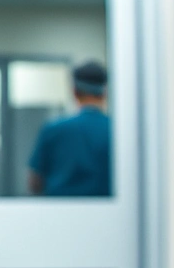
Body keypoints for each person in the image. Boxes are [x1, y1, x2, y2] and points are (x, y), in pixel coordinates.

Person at [27, 61, 112, 196]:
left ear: (74, 92)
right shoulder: (116, 132)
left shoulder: (53, 129)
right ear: (105, 93)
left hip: (60, 212)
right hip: (110, 214)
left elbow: (34, 182)